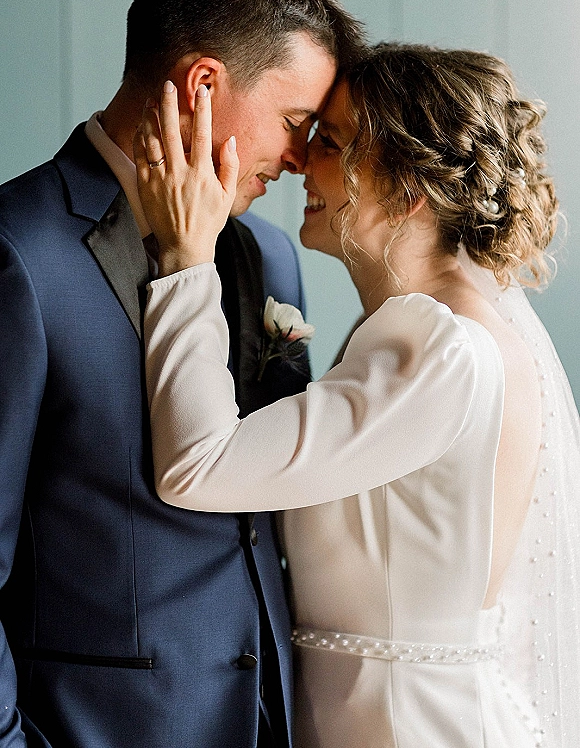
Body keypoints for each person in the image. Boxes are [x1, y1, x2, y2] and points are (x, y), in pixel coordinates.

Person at [135, 43, 580, 747]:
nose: (298, 159)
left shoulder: (443, 346)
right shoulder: (441, 331)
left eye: (332, 142)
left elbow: (200, 467)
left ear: (407, 191)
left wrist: (186, 260)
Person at [0, 0, 365, 747]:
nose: (303, 159)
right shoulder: (18, 254)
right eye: (294, 121)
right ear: (203, 84)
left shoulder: (269, 256)